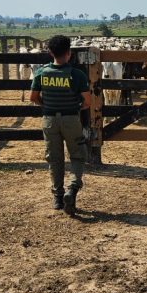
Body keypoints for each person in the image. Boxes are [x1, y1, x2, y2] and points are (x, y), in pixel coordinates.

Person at [29, 35, 91, 215]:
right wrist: (77, 107)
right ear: (69, 53)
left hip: (49, 120)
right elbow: (87, 101)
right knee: (77, 156)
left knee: (54, 158)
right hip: (71, 119)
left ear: (50, 52)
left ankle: (57, 197)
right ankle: (72, 189)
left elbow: (33, 98)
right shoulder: (77, 75)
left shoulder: (41, 73)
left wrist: (46, 105)